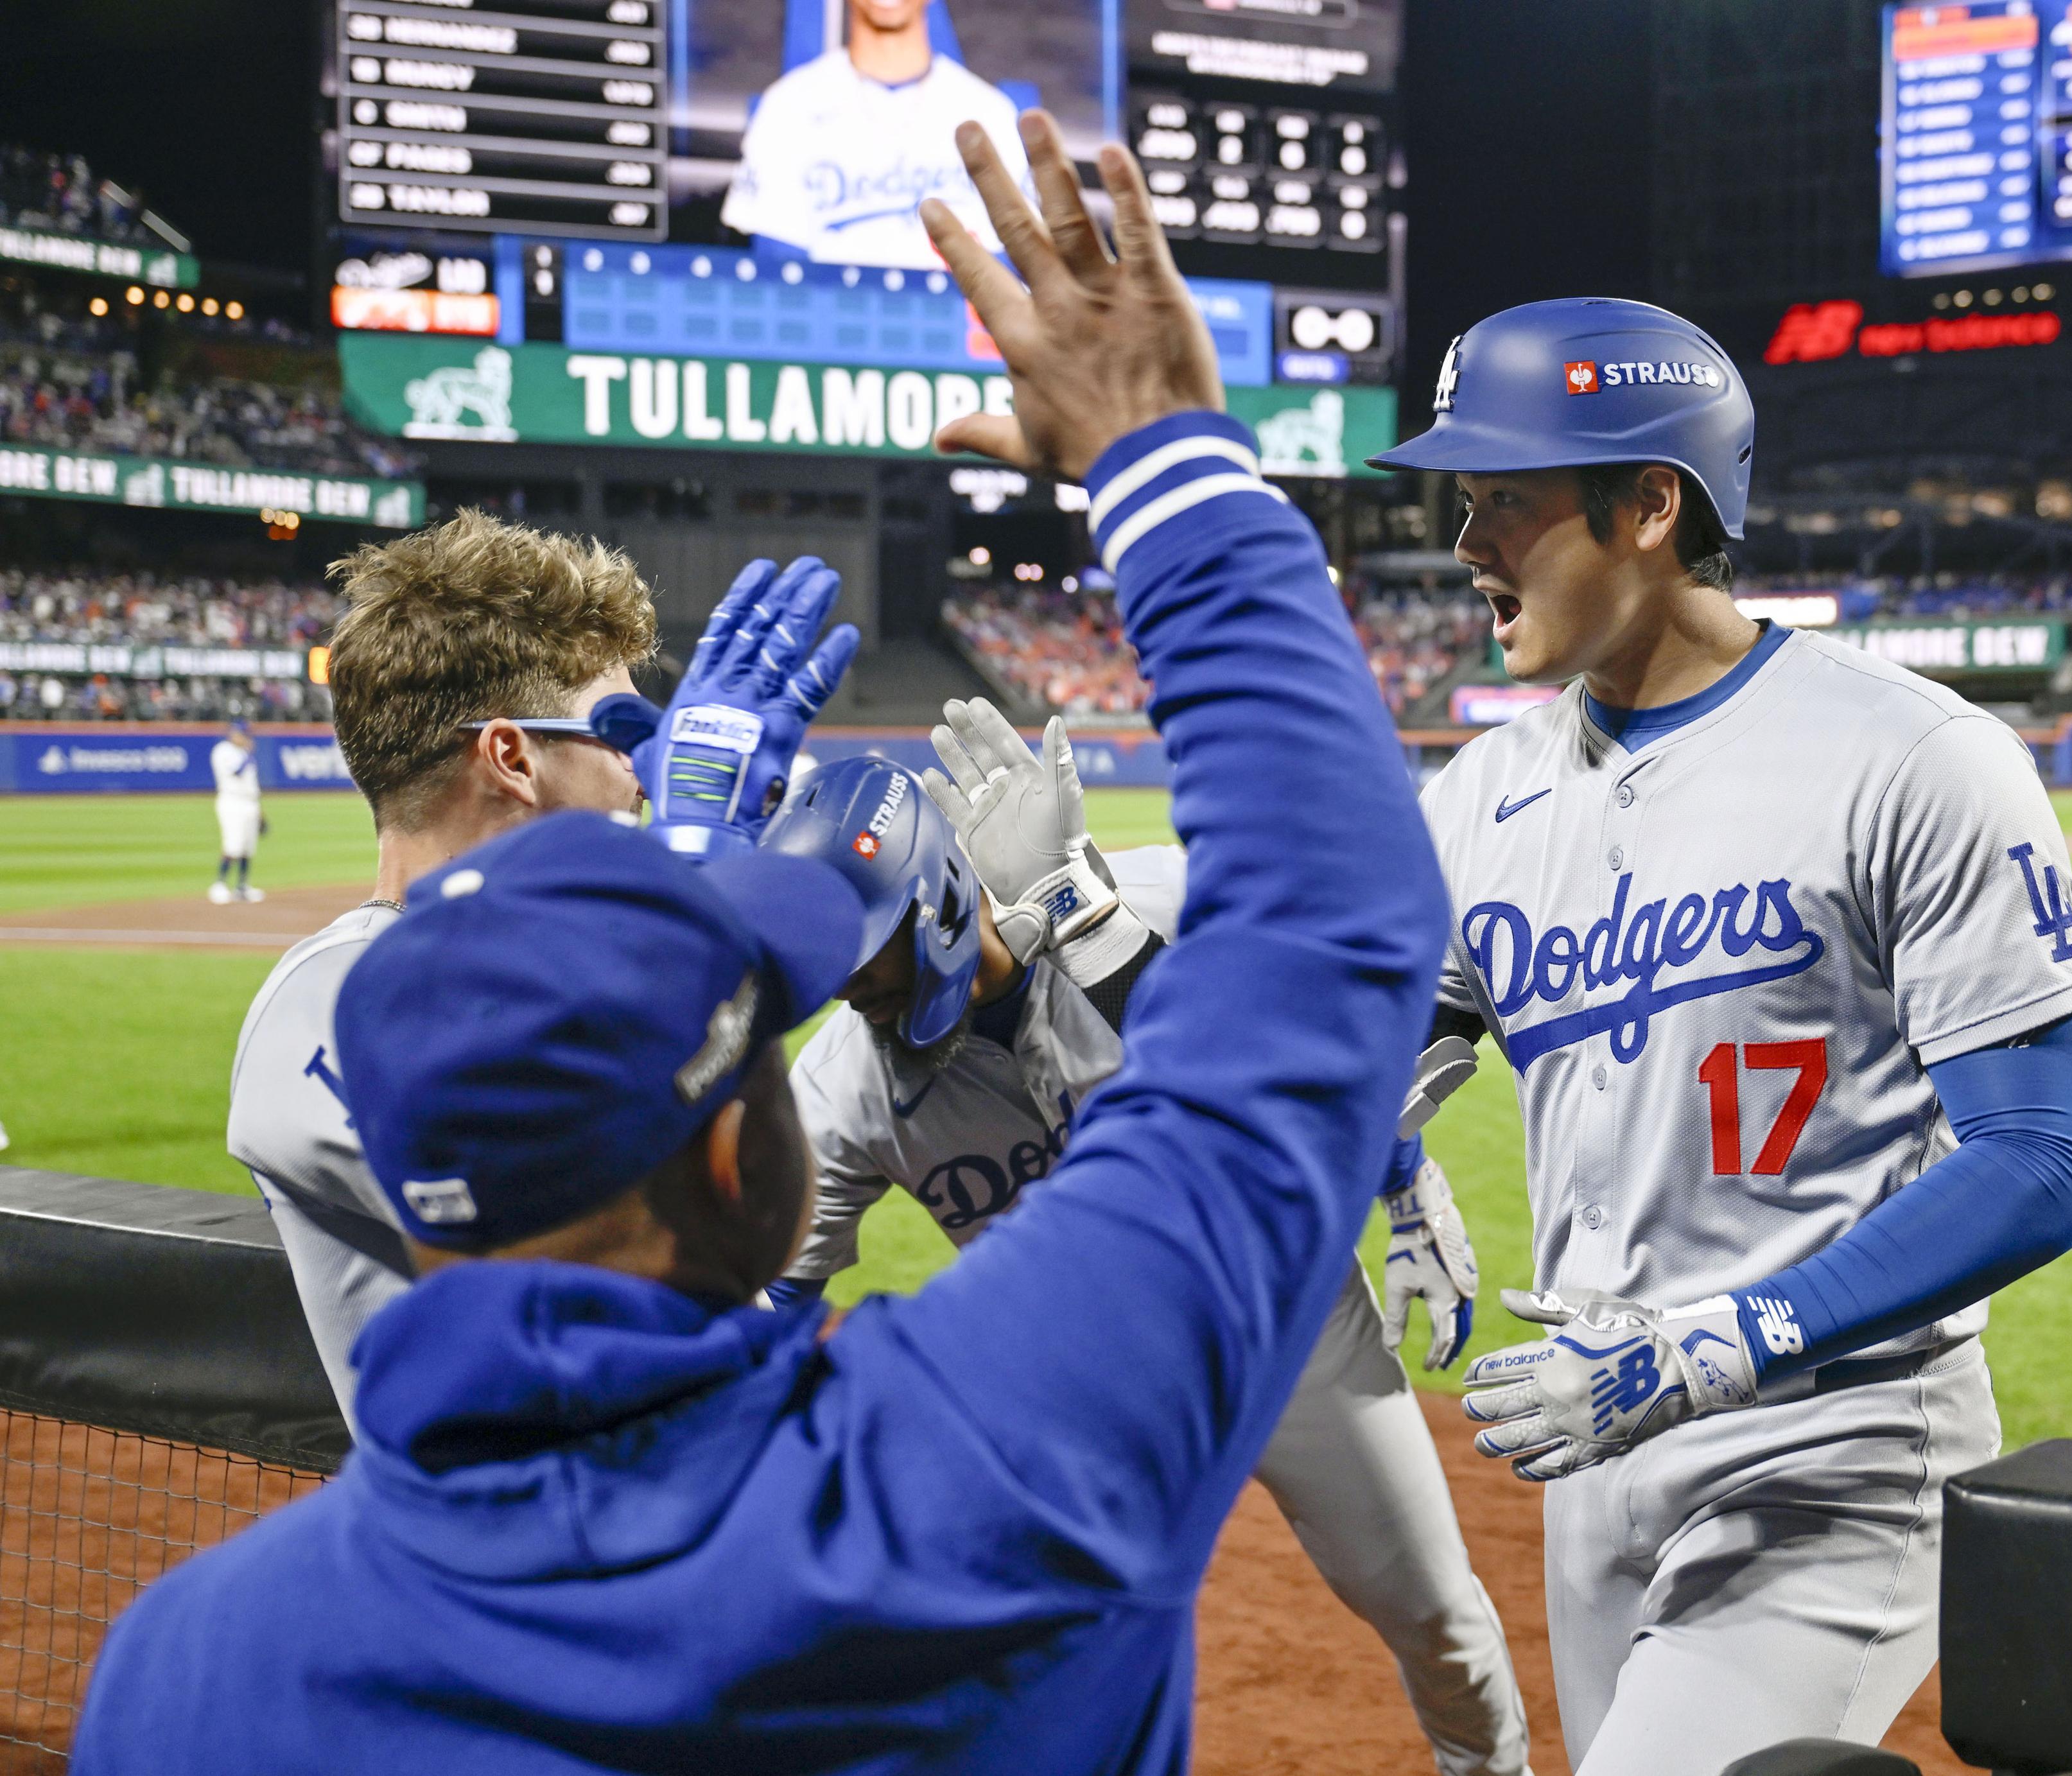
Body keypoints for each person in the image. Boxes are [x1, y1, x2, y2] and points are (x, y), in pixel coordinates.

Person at [76, 111, 1448, 1773]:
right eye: (623, 727)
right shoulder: (993, 1467)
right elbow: (1332, 923)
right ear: (741, 1154)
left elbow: (520, 1064)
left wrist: (692, 894)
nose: (656, 757)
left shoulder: (192, 1668)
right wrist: (1161, 461)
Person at [1368, 300, 2072, 1774]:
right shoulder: (1476, 798)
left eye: (1500, 499)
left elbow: (2035, 1161)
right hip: (1589, 1450)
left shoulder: (1912, 757)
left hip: (1833, 1438)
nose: (1463, 548)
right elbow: (1368, 1049)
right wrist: (1389, 1169)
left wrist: (1712, 1349)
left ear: (1647, 503)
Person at [763, 726, 1529, 1776]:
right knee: (1036, 1664)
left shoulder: (1150, 904)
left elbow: (1315, 1049)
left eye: (861, 953)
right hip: (1080, 1390)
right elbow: (757, 1302)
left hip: (1281, 1324)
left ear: (931, 899)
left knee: (1435, 1615)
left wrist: (1399, 1181)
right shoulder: (844, 1087)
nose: (847, 989)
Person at [225, 507, 855, 1415]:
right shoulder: (328, 1001)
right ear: (513, 756)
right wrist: (693, 876)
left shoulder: (513, 976)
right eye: (623, 733)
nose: (649, 775)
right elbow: (628, 1221)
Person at [721, 0, 1031, 268]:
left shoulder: (990, 114)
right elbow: (780, 277)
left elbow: (1017, 272)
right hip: (835, 326)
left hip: (955, 329)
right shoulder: (788, 107)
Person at [207, 717, 263, 904]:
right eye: (242, 734)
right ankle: (219, 885)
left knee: (247, 847)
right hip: (231, 803)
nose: (246, 738)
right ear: (233, 734)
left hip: (250, 803)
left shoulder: (244, 753)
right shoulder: (223, 751)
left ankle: (242, 887)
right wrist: (248, 754)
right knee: (233, 845)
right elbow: (236, 772)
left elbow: (252, 786)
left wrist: (260, 813)